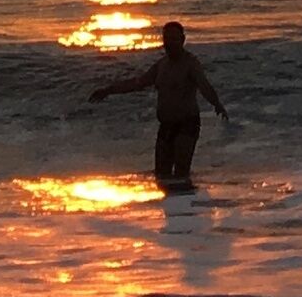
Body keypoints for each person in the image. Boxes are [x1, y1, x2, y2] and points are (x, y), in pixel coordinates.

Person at [87, 19, 227, 191]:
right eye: (166, 39)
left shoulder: (191, 63)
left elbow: (204, 85)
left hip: (187, 124)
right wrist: (108, 90)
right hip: (166, 125)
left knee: (181, 174)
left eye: (174, 39)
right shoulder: (162, 65)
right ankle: (172, 211)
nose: (169, 43)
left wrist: (217, 104)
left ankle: (188, 209)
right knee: (162, 176)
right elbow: (138, 83)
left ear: (183, 40)